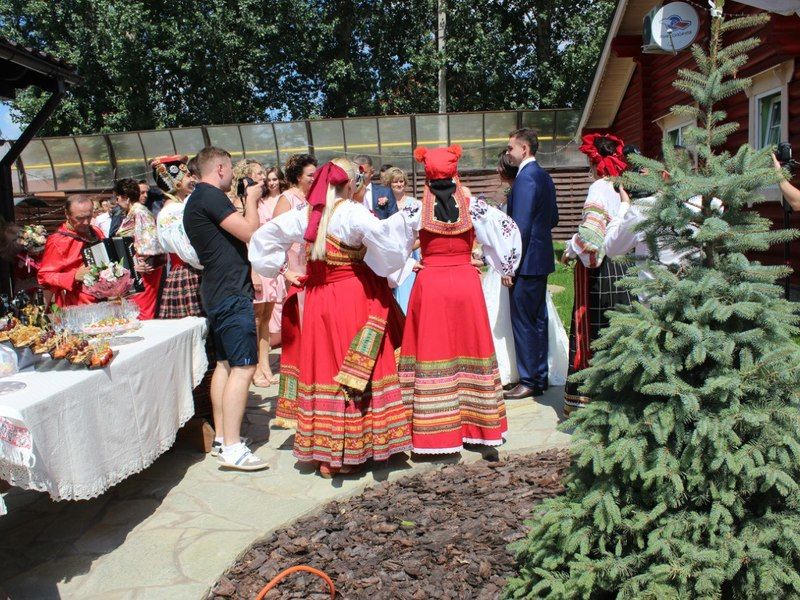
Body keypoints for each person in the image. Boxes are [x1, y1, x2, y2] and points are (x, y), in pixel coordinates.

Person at [249, 158, 415, 477]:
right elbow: (390, 252)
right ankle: (356, 450)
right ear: (350, 184)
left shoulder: (307, 214)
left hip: (318, 299)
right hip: (353, 296)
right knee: (357, 366)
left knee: (326, 367)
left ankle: (327, 452)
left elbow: (263, 238)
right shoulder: (353, 212)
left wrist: (280, 269)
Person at [398, 145, 522, 455]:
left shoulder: (415, 209)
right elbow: (507, 231)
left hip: (431, 285)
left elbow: (388, 242)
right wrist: (503, 266)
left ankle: (433, 432)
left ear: (426, 175)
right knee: (470, 348)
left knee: (433, 350)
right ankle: (478, 425)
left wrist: (401, 267)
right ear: (456, 173)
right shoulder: (473, 206)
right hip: (466, 284)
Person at [183, 146, 267, 471]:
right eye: (230, 169)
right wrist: (252, 200)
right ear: (220, 168)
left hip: (218, 289)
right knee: (244, 366)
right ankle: (232, 446)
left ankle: (222, 437)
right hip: (230, 291)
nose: (232, 175)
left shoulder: (198, 199)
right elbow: (250, 233)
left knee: (224, 364)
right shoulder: (211, 196)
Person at [560, 133, 632, 416]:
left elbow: (591, 236)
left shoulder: (599, 187)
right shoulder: (623, 185)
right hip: (625, 265)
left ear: (594, 161)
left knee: (594, 329)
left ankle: (590, 401)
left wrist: (570, 249)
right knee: (617, 327)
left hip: (602, 270)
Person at [503, 128, 559, 400]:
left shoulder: (525, 178)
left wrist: (509, 264)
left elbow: (520, 227)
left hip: (525, 262)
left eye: (510, 148)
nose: (508, 153)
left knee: (524, 321)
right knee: (537, 319)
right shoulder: (544, 176)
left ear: (524, 149)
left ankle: (528, 380)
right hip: (540, 257)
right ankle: (538, 377)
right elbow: (553, 218)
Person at [271, 153, 317, 428]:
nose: (314, 178)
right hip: (297, 272)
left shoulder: (317, 197)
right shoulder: (286, 199)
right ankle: (300, 397)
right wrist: (284, 270)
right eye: (310, 175)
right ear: (298, 176)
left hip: (316, 270)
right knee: (301, 331)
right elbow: (274, 238)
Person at [154, 155, 204, 319]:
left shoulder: (179, 207)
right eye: (188, 176)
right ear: (175, 182)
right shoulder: (173, 211)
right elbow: (187, 248)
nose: (192, 179)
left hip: (190, 270)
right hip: (189, 272)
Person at [252, 166, 287, 387]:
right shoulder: (255, 202)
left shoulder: (282, 200)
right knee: (256, 319)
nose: (267, 181)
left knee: (266, 317)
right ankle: (255, 367)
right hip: (258, 261)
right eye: (263, 177)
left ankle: (265, 365)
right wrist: (254, 271)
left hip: (274, 260)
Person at [37, 196, 104, 307]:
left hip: (103, 299)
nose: (86, 222)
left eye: (89, 216)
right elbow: (44, 276)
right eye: (80, 218)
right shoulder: (57, 241)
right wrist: (74, 276)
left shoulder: (96, 231)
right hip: (75, 304)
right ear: (67, 214)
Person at [115, 178, 165, 320]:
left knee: (142, 309)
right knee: (137, 308)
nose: (117, 201)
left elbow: (149, 241)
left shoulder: (139, 212)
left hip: (144, 268)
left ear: (125, 197)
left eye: (117, 197)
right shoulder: (136, 211)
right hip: (139, 266)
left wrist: (139, 261)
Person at [382, 166, 420, 314]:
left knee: (406, 293)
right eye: (395, 182)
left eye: (401, 181)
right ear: (389, 184)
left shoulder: (413, 203)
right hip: (389, 255)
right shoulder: (384, 203)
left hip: (410, 253)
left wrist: (408, 249)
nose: (399, 184)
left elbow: (420, 233)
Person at [353, 154, 397, 219]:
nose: (360, 176)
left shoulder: (385, 192)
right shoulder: (349, 194)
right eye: (357, 173)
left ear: (372, 173)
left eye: (364, 173)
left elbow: (394, 218)